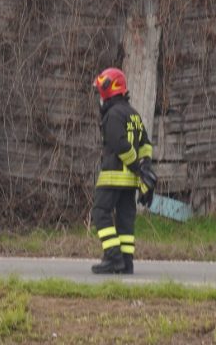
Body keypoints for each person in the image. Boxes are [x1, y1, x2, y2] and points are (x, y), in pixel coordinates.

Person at [90, 66, 156, 275]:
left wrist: (138, 168)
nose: (100, 97)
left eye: (101, 91)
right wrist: (144, 168)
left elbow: (120, 145)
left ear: (109, 89)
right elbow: (145, 145)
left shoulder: (113, 115)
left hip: (113, 177)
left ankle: (113, 257)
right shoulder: (133, 114)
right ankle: (126, 262)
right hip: (130, 183)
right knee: (125, 219)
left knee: (100, 213)